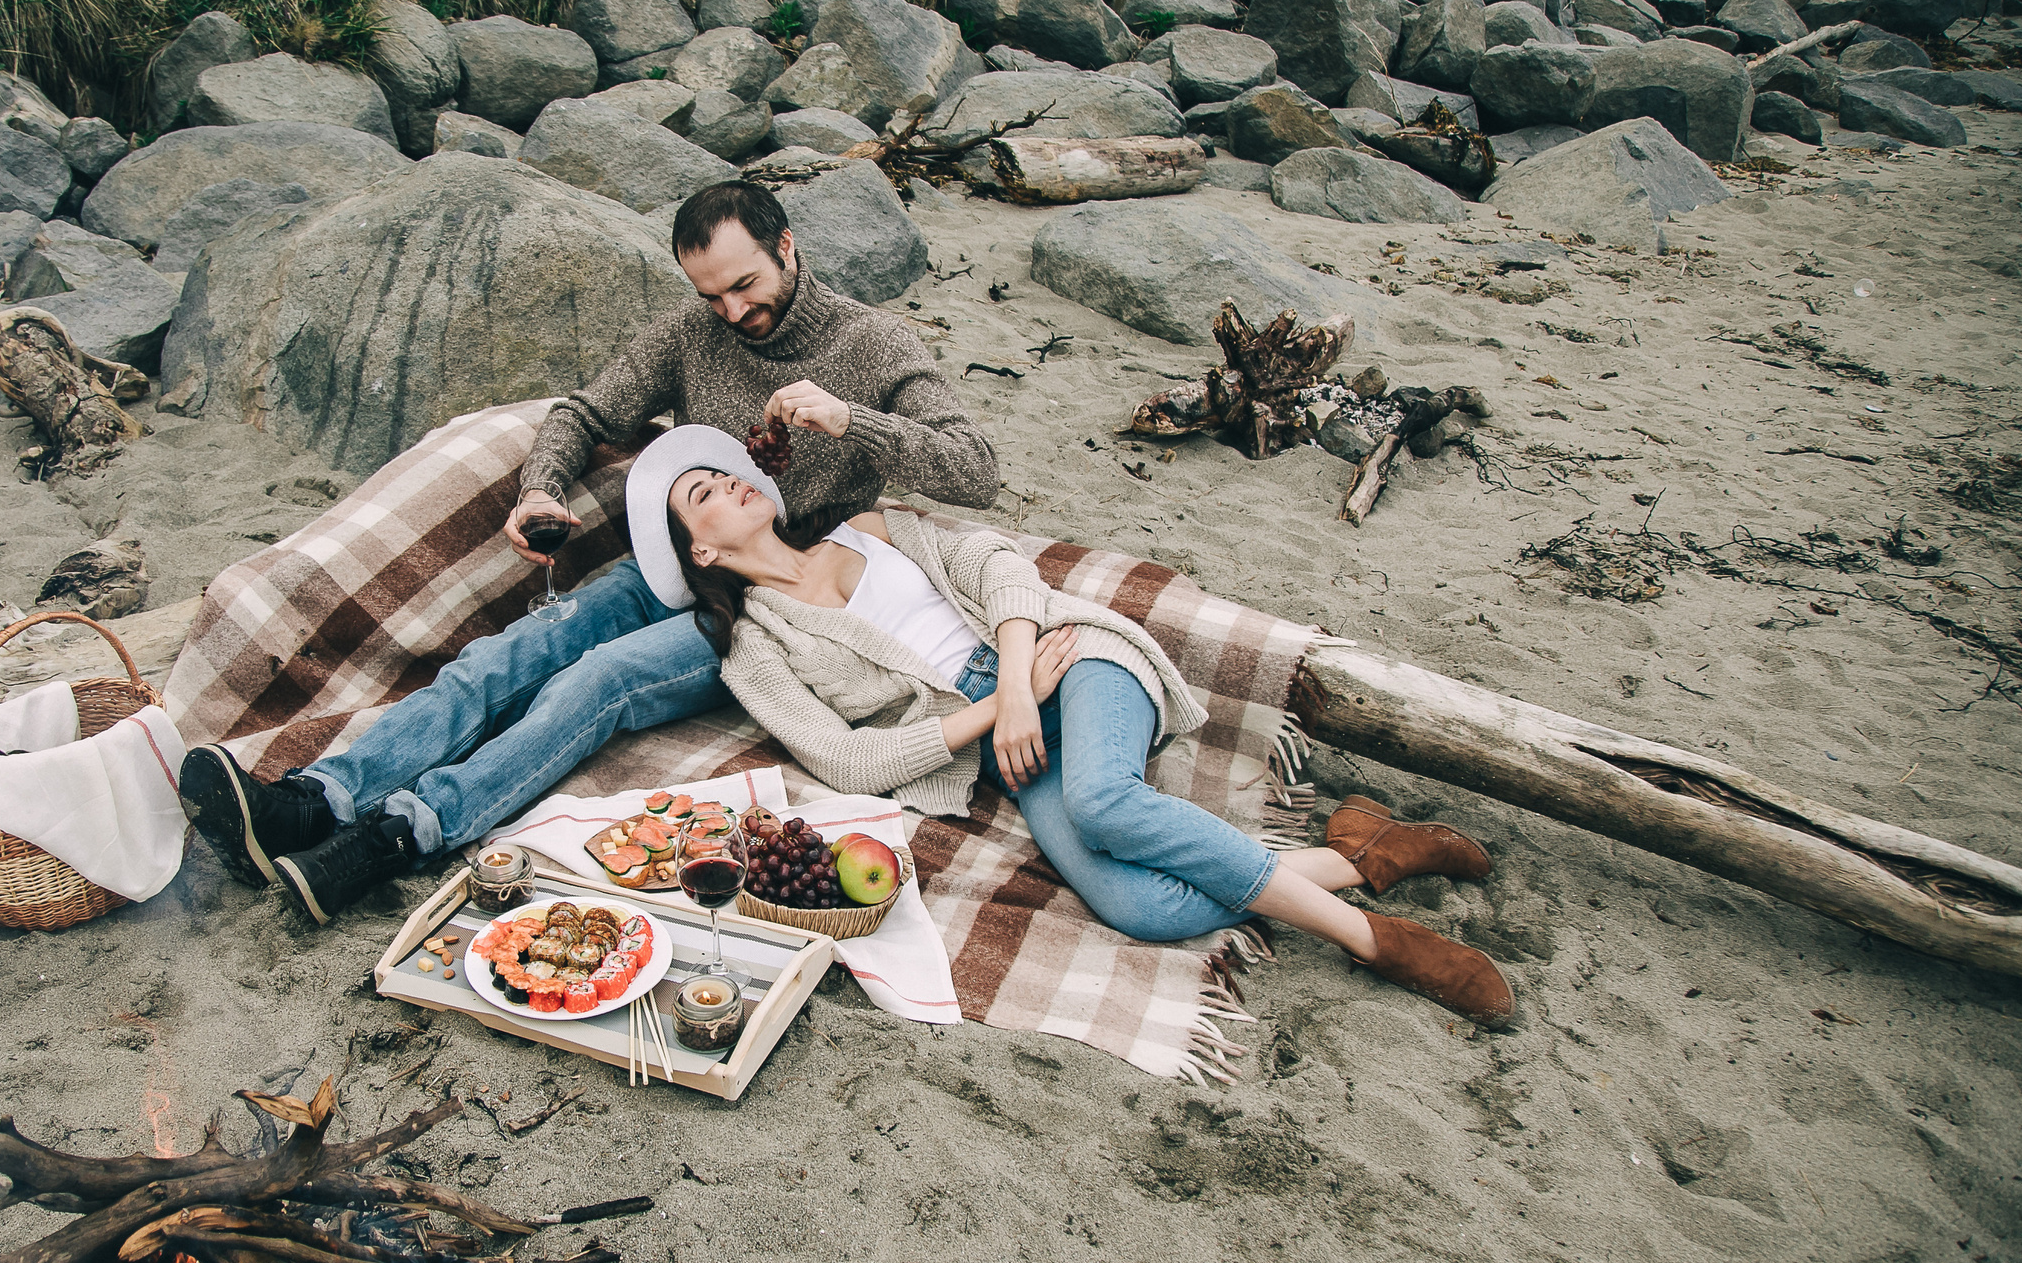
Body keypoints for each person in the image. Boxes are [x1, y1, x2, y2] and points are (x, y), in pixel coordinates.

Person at [180, 180, 1001, 923]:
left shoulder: (873, 344)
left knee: (598, 681)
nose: (730, 312)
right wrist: (542, 485)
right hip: (675, 552)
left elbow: (976, 469)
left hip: (769, 595)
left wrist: (851, 419)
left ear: (787, 245)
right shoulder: (692, 334)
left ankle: (402, 834)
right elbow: (583, 412)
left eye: (744, 285)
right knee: (510, 652)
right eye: (709, 295)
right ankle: (316, 801)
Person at [631, 424, 1518, 1025]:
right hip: (998, 734)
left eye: (730, 471)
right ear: (701, 550)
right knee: (1138, 902)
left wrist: (1016, 679)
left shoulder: (869, 528)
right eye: (705, 492)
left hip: (1064, 655)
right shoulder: (752, 646)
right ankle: (1369, 853)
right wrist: (990, 713)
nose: (734, 483)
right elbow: (846, 756)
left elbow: (1001, 565)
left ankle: (1377, 941)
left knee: (1100, 802)